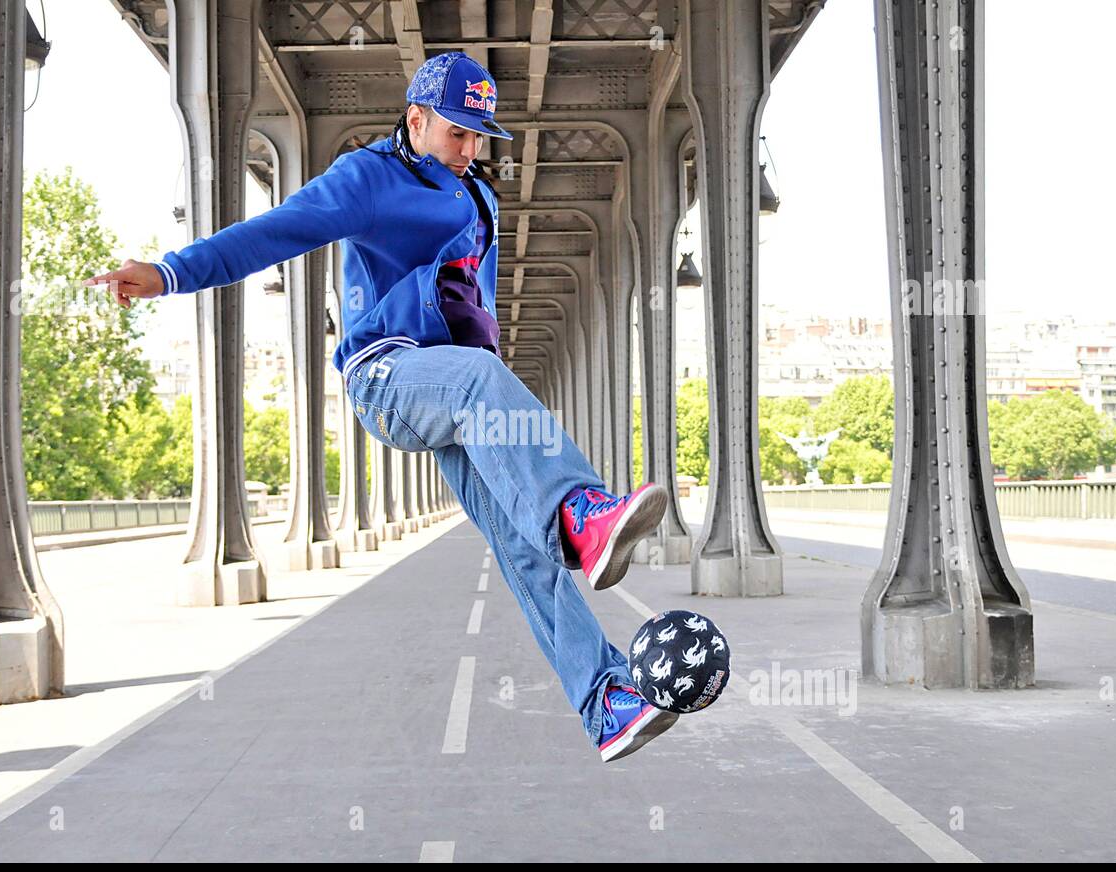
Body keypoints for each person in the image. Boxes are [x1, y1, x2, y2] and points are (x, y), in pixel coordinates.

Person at [85, 52, 676, 762]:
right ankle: (583, 514)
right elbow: (272, 232)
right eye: (458, 133)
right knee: (480, 387)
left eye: (481, 137)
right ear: (417, 118)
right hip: (386, 378)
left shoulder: (480, 201)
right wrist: (170, 272)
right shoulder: (366, 179)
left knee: (526, 546)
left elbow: (471, 316)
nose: (471, 149)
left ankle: (603, 700)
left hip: (456, 389)